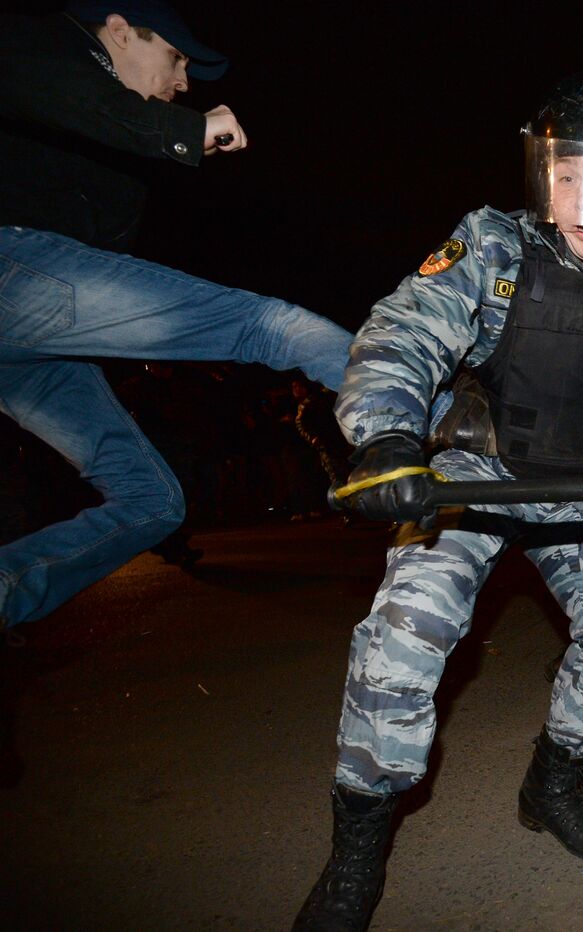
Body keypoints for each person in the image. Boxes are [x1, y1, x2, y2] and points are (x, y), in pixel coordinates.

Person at [295, 74, 583, 931]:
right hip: (473, 477)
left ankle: (551, 781)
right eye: (563, 175)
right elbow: (403, 331)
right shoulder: (494, 246)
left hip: (577, 493)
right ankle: (357, 847)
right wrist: (390, 435)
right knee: (404, 637)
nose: (581, 204)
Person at [0, 1, 352, 630]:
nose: (184, 81)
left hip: (27, 343)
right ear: (117, 32)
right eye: (175, 57)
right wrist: (183, 130)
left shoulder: (92, 147)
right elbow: (42, 83)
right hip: (14, 270)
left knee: (153, 502)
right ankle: (434, 414)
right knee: (266, 325)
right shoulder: (40, 40)